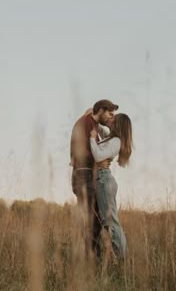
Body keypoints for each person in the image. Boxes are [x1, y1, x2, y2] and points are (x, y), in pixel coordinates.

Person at [70, 99, 118, 259]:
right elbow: (82, 152)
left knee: (94, 218)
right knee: (92, 219)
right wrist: (99, 160)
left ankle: (91, 259)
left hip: (85, 174)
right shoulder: (86, 123)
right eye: (110, 114)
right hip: (84, 174)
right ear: (102, 110)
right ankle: (90, 261)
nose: (111, 118)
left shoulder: (91, 124)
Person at [89, 113, 132, 259]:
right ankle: (120, 257)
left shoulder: (116, 142)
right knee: (109, 221)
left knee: (111, 222)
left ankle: (122, 258)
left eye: (113, 119)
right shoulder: (111, 138)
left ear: (118, 125)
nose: (110, 119)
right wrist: (94, 117)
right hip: (102, 179)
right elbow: (100, 129)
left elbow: (98, 156)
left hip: (103, 180)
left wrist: (91, 138)